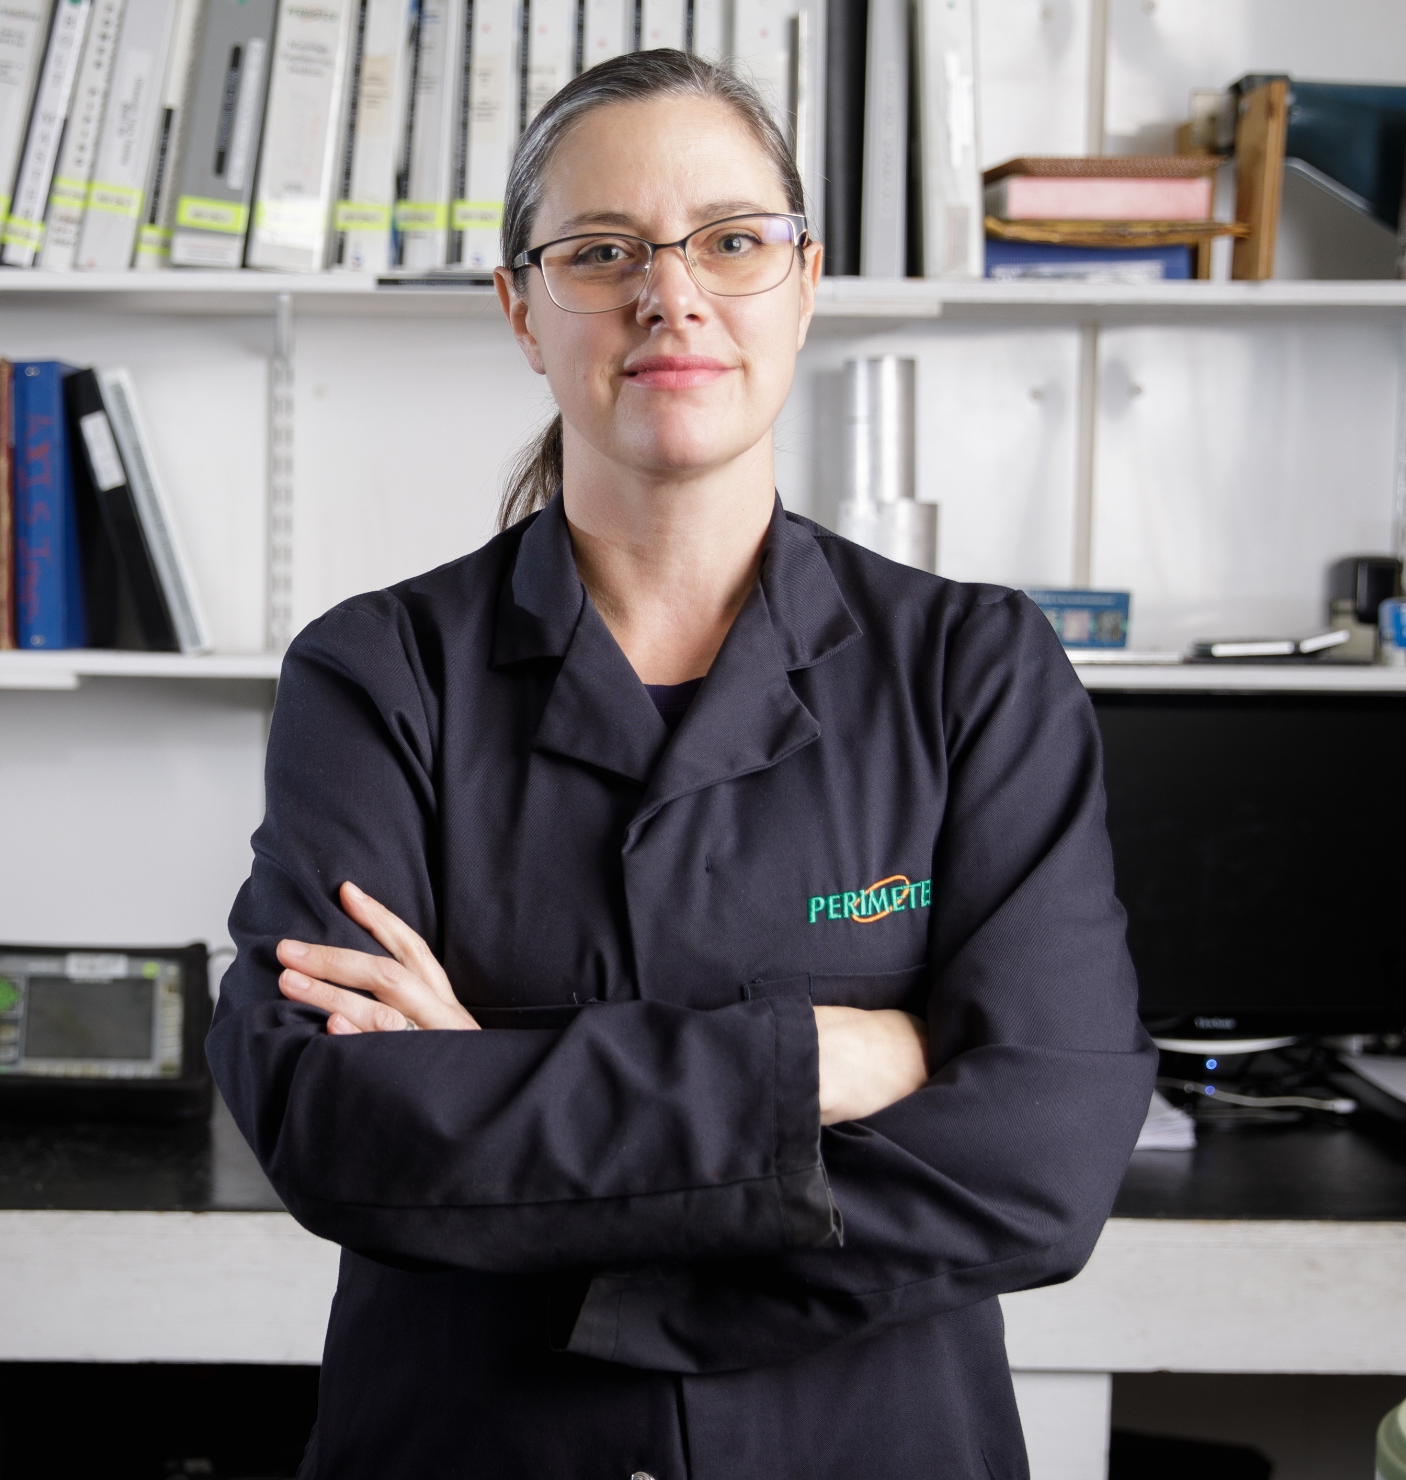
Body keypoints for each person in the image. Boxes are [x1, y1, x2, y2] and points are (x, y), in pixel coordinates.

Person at [208, 48, 1155, 1480]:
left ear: (806, 278)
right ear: (522, 309)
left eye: (731, 239)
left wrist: (503, 1098)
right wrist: (823, 1066)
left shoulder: (974, 670)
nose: (673, 294)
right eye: (602, 252)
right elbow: (326, 1120)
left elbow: (1044, 1163)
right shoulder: (378, 674)